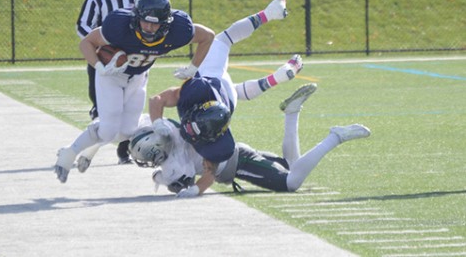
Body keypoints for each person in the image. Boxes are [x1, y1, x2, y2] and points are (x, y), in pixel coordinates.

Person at [148, 0, 303, 197]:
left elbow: (209, 171)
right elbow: (156, 99)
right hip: (212, 84)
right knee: (223, 39)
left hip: (228, 101)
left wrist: (195, 189)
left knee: (237, 92)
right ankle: (268, 14)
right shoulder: (180, 144)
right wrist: (157, 123)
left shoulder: (181, 160)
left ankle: (276, 78)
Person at [53, 0, 215, 183]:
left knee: (127, 131)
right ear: (135, 17)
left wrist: (193, 67)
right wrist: (100, 67)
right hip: (111, 76)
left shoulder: (179, 29)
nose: (148, 28)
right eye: (144, 21)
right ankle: (68, 154)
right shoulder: (119, 25)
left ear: (166, 23)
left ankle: (91, 148)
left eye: (155, 24)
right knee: (108, 130)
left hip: (139, 76)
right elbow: (86, 43)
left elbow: (208, 36)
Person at [129, 83, 372, 197]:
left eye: (151, 155)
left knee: (291, 183)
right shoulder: (169, 131)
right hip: (235, 155)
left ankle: (335, 137)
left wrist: (193, 189)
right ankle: (292, 113)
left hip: (237, 163)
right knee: (292, 165)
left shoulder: (174, 157)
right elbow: (155, 104)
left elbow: (209, 174)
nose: (152, 160)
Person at [76, 0, 140, 164]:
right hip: (102, 62)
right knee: (101, 111)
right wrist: (104, 46)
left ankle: (123, 151)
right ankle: (87, 148)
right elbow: (82, 26)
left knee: (128, 108)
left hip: (130, 62)